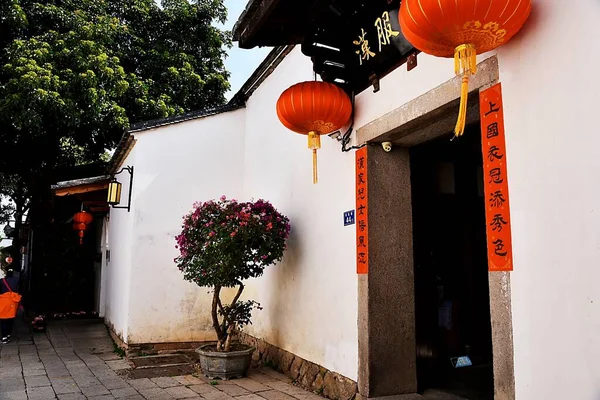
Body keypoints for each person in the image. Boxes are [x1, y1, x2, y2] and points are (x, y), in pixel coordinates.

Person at [0, 268, 19, 343]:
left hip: (3, 302)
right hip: (13, 302)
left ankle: (4, 338)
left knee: (3, 320)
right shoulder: (16, 280)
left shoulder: (1, 281)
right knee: (10, 319)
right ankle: (8, 335)